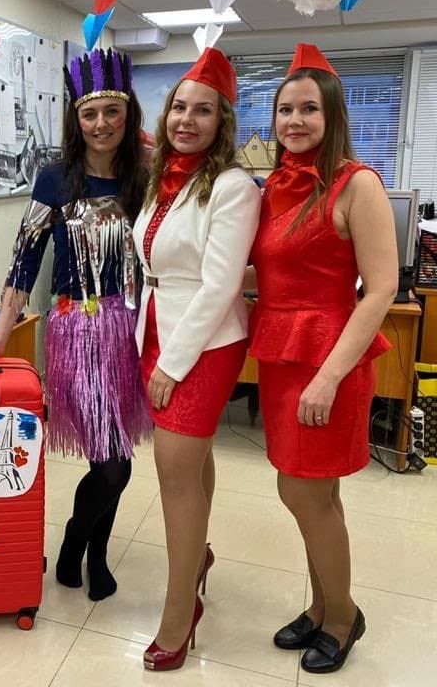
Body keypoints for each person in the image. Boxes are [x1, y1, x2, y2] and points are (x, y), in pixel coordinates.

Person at [0, 47, 151, 601]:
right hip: (79, 334)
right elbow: (24, 260)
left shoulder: (147, 177)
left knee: (115, 458)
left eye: (112, 112)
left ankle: (89, 549)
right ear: (76, 119)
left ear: (128, 114)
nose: (101, 124)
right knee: (113, 465)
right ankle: (79, 543)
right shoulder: (54, 179)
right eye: (90, 114)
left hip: (134, 333)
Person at [249, 43, 396, 674]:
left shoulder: (356, 183)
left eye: (310, 108)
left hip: (328, 359)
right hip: (283, 357)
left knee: (305, 494)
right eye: (285, 109)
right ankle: (321, 605)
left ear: (333, 116)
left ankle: (342, 616)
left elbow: (382, 286)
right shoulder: (275, 186)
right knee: (311, 494)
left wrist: (331, 377)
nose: (295, 120)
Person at [135, 48, 261, 671]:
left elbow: (221, 287)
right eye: (179, 107)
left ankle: (179, 614)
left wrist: (172, 364)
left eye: (202, 110)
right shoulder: (164, 179)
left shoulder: (234, 186)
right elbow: (153, 266)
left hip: (202, 341)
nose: (187, 119)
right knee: (193, 466)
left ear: (221, 121)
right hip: (156, 327)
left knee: (174, 475)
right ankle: (198, 560)